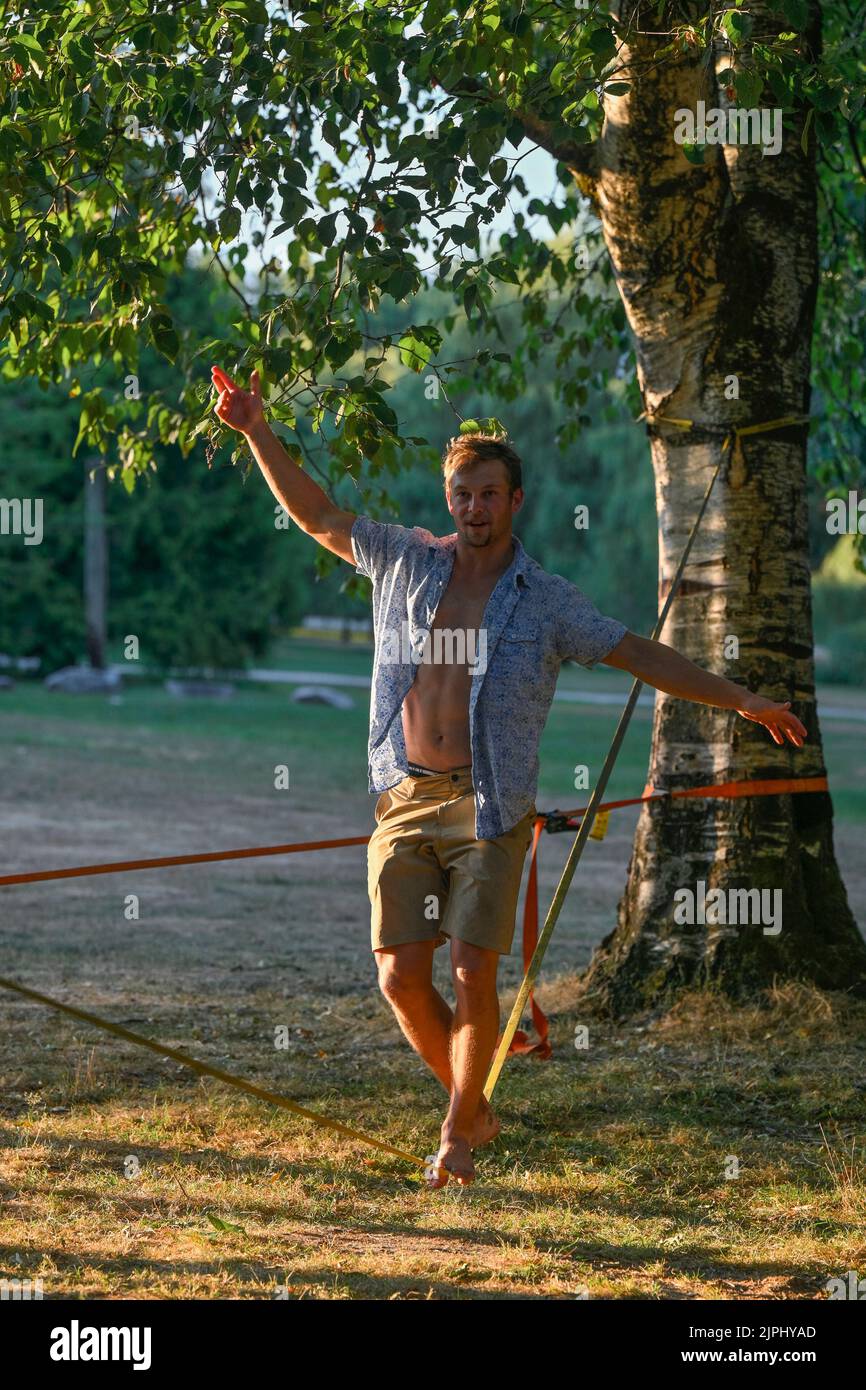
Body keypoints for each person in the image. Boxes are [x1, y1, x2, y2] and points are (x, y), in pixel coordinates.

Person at [210, 364, 808, 1189]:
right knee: (398, 975)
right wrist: (254, 428)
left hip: (490, 809)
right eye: (461, 494)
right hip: (407, 797)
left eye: (488, 493)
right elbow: (316, 514)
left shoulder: (547, 600)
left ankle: (458, 1132)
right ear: (447, 497)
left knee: (472, 970)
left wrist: (740, 697)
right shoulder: (404, 561)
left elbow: (636, 651)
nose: (473, 508)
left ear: (514, 500)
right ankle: (475, 1102)